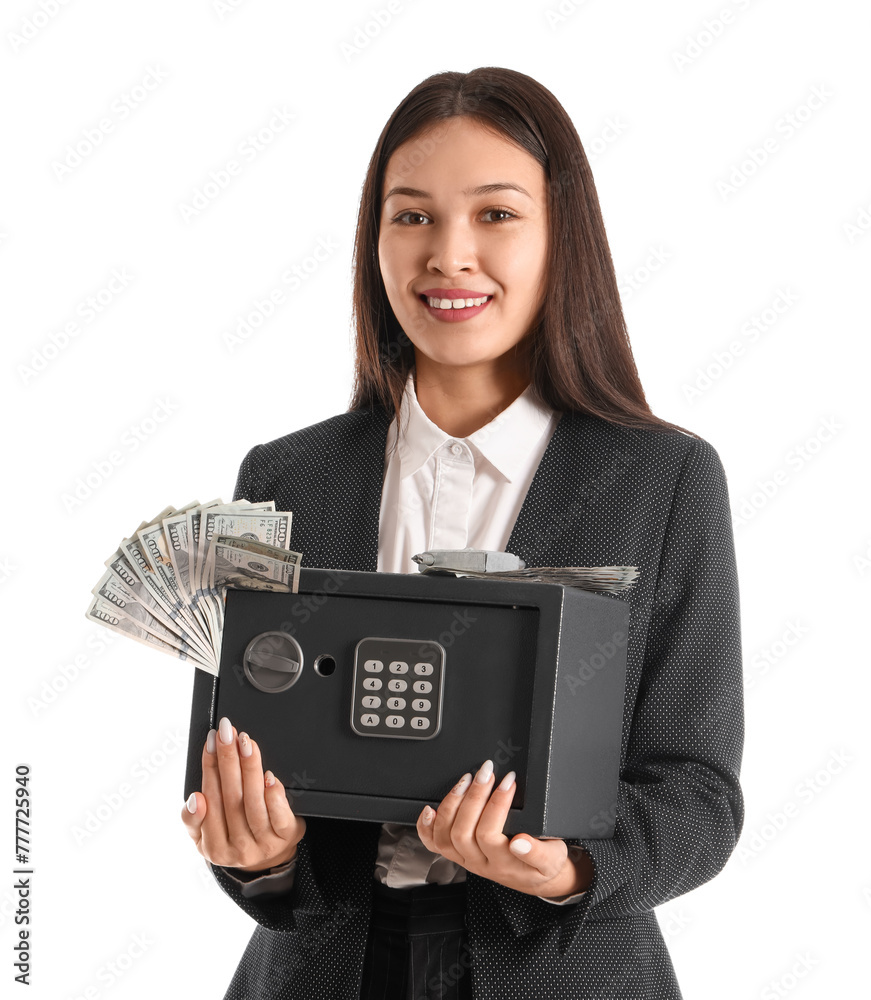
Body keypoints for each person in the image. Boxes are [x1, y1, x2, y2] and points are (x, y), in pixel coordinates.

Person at [180, 66, 744, 999]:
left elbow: (696, 794)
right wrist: (258, 857)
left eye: (495, 215)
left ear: (562, 237)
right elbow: (231, 758)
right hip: (323, 973)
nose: (448, 254)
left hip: (565, 972)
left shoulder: (662, 480)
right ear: (374, 243)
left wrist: (564, 868)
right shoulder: (282, 479)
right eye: (411, 217)